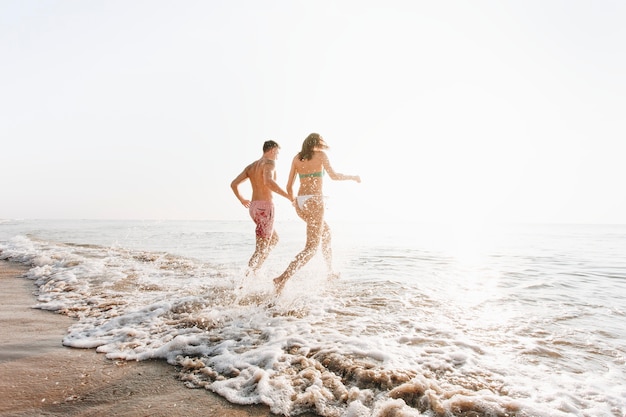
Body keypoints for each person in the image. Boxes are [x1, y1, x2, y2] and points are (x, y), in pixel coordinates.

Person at [273, 133, 360, 294]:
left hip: (301, 202)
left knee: (326, 232)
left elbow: (288, 186)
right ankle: (281, 279)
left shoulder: (297, 158)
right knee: (311, 248)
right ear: (318, 143)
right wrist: (352, 177)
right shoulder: (321, 156)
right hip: (314, 202)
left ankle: (330, 271)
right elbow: (334, 176)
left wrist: (294, 201)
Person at [231, 140, 292, 275]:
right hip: (265, 208)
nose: (277, 156)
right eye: (277, 152)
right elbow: (268, 182)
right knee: (260, 248)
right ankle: (246, 280)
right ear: (272, 150)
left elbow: (234, 184)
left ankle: (255, 270)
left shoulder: (251, 166)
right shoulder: (269, 163)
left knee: (273, 239)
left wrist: (242, 199)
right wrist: (288, 196)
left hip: (253, 208)